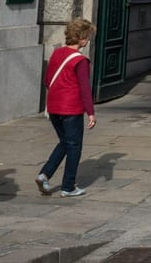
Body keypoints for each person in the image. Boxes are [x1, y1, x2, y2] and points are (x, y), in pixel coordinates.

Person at [36, 18, 95, 198]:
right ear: (82, 39)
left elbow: (47, 80)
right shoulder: (80, 61)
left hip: (53, 107)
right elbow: (85, 89)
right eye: (88, 37)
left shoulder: (57, 54)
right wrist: (91, 112)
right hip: (71, 108)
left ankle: (44, 174)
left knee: (65, 142)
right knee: (74, 146)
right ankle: (68, 186)